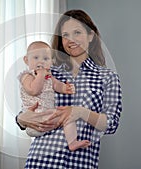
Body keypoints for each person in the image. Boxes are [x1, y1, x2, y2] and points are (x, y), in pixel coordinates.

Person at [16, 9, 122, 169]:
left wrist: (80, 112)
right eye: (65, 35)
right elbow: (30, 105)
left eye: (77, 32)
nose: (70, 40)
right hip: (40, 160)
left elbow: (111, 123)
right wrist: (20, 119)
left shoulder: (107, 77)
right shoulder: (48, 71)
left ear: (91, 35)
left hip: (79, 163)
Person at [19, 41, 91, 151]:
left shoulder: (49, 76)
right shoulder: (27, 76)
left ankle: (72, 142)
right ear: (26, 60)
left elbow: (56, 85)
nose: (41, 62)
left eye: (45, 59)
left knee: (68, 117)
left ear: (51, 62)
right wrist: (41, 75)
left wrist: (65, 88)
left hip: (48, 116)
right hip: (34, 119)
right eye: (36, 57)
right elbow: (34, 90)